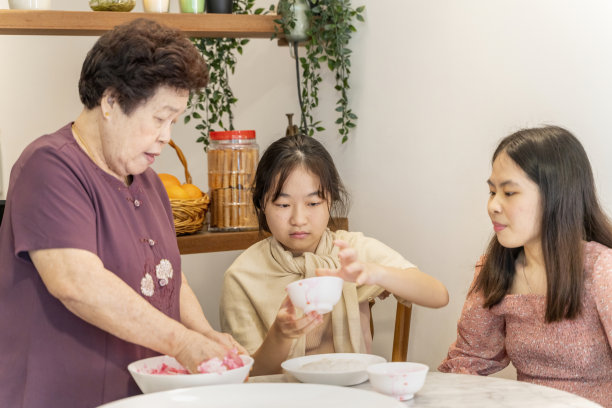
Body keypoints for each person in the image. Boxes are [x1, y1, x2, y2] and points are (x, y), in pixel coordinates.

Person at [0, 19, 246, 408]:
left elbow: (168, 276)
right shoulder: (49, 166)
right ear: (111, 102)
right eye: (159, 118)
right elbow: (76, 283)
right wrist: (182, 343)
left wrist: (203, 333)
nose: (167, 135)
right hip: (60, 395)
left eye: (174, 121)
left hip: (135, 396)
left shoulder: (146, 180)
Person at [220, 134, 449, 375]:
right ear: (261, 205)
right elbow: (249, 377)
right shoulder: (242, 276)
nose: (298, 219)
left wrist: (373, 272)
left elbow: (438, 295)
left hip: (353, 394)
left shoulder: (349, 251)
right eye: (283, 205)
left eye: (313, 203)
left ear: (331, 200)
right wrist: (280, 336)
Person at [438, 126, 612, 407]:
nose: (493, 205)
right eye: (492, 191)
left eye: (509, 193)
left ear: (556, 196)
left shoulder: (603, 270)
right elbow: (469, 361)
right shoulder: (495, 269)